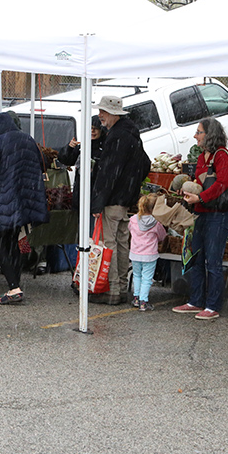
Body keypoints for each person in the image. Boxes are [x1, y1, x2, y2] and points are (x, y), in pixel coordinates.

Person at [0, 112, 50, 305]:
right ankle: (15, 283)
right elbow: (44, 164)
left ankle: (14, 288)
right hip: (24, 199)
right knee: (14, 241)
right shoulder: (28, 139)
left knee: (0, 242)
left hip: (4, 199)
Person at [90, 96, 151, 305]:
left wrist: (98, 202)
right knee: (122, 244)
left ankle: (113, 290)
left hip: (113, 200)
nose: (100, 116)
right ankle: (123, 288)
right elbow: (145, 164)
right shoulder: (132, 134)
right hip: (125, 201)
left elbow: (107, 174)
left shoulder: (116, 137)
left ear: (115, 114)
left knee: (110, 245)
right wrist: (131, 186)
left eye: (103, 112)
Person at [173, 118, 228, 320]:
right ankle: (195, 300)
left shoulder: (221, 155)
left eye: (199, 132)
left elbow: (223, 183)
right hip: (200, 213)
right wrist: (188, 190)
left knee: (213, 261)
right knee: (196, 257)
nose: (195, 135)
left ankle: (213, 305)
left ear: (209, 134)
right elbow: (199, 182)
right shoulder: (201, 157)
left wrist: (201, 197)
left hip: (217, 215)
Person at [57, 116, 108, 209]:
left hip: (97, 193)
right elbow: (65, 160)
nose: (92, 131)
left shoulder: (106, 147)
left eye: (95, 129)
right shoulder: (82, 146)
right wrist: (69, 148)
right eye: (90, 128)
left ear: (101, 130)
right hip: (81, 193)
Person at [129, 193, 167, 312]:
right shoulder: (156, 223)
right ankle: (143, 301)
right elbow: (162, 236)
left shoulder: (133, 219)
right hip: (150, 255)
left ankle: (136, 297)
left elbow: (130, 231)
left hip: (135, 253)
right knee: (147, 278)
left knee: (137, 275)